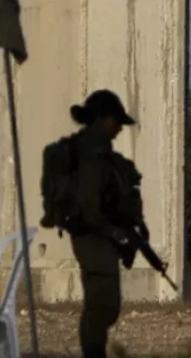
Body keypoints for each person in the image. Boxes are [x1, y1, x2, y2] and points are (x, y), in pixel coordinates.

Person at [67, 89, 138, 358]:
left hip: (98, 234)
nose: (120, 128)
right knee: (102, 305)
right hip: (91, 235)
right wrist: (113, 232)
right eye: (116, 121)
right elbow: (89, 206)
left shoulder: (99, 152)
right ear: (104, 119)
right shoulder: (91, 154)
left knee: (104, 304)